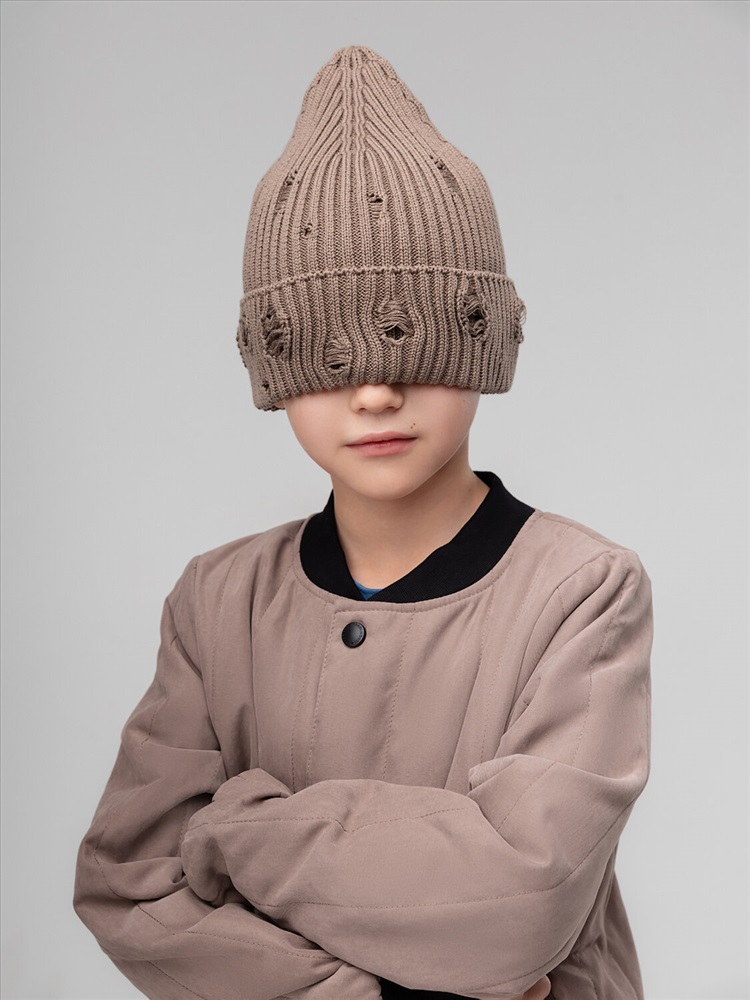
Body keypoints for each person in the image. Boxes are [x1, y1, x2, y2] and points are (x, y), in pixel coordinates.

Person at [73, 45, 653, 1000]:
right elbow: (129, 887)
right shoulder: (217, 603)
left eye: (410, 339)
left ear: (482, 342)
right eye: (328, 354)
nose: (375, 391)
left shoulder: (580, 590)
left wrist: (236, 828)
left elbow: (524, 898)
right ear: (275, 369)